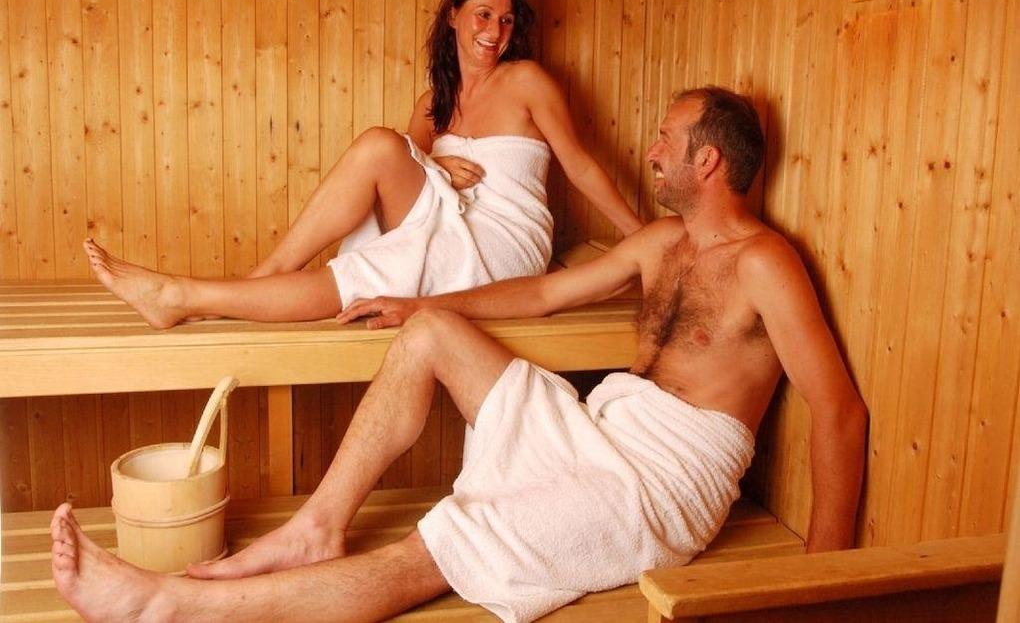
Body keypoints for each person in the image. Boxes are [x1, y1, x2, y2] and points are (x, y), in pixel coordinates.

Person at [51, 86, 867, 623]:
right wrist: (422, 305)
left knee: (440, 546)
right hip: (598, 429)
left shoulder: (766, 264)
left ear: (708, 160)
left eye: (666, 138)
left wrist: (822, 585)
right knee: (430, 335)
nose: (652, 150)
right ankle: (316, 528)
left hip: (659, 485)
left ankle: (165, 606)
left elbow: (839, 410)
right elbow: (544, 294)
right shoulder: (662, 242)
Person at [82, 0, 642, 329]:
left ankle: (192, 295)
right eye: (482, 14)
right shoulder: (434, 101)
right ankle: (260, 277)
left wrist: (644, 242)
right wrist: (437, 165)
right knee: (380, 148)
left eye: (506, 20)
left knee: (378, 167)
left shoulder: (526, 81)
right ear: (453, 15)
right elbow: (405, 172)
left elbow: (581, 167)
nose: (493, 31)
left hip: (502, 246)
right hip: (444, 224)